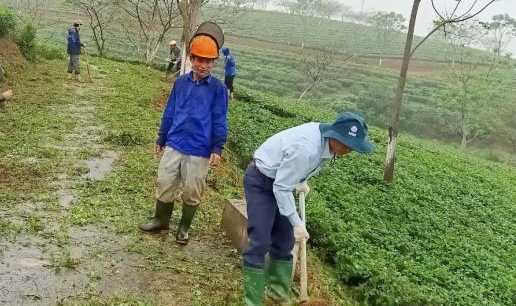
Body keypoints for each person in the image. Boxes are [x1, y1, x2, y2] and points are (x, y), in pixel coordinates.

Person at [242, 112, 375, 305]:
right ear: (335, 136)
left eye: (352, 147)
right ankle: (252, 302)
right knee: (260, 241)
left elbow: (296, 170)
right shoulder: (307, 148)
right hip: (262, 181)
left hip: (282, 180)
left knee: (284, 240)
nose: (349, 151)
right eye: (346, 145)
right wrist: (296, 222)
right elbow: (281, 187)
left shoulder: (325, 140)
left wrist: (301, 180)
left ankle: (278, 296)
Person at [138, 34, 229, 245]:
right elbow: (170, 111)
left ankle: (184, 228)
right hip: (175, 142)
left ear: (213, 63)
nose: (203, 65)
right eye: (199, 59)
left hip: (200, 148)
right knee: (165, 182)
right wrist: (161, 137)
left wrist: (217, 147)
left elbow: (220, 119)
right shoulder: (180, 82)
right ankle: (161, 221)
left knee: (192, 190)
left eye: (208, 61)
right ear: (191, 59)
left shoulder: (218, 89)